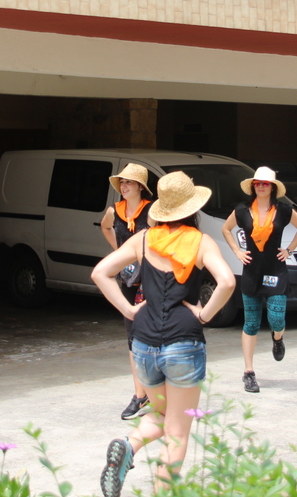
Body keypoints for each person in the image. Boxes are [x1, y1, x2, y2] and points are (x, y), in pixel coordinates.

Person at [92, 171, 235, 497]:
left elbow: (101, 272)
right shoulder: (201, 242)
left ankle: (128, 445)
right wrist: (204, 314)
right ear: (192, 207)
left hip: (143, 343)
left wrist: (129, 310)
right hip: (183, 342)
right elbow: (227, 282)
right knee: (178, 432)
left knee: (162, 413)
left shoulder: (142, 239)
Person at [221, 167, 297, 393]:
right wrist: (237, 251)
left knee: (277, 319)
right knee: (251, 323)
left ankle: (277, 339)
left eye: (265, 183)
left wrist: (289, 250)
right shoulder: (242, 210)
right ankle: (248, 372)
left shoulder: (284, 210)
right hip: (252, 272)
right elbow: (226, 229)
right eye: (257, 183)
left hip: (275, 271)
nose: (260, 186)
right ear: (253, 186)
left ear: (273, 187)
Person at [99, 163, 156, 420]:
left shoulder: (151, 211)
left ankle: (155, 391)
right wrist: (121, 253)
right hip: (128, 279)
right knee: (132, 337)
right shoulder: (115, 210)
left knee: (153, 333)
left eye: (129, 182)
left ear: (140, 187)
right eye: (122, 182)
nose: (124, 186)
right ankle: (140, 395)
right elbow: (105, 227)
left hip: (151, 278)